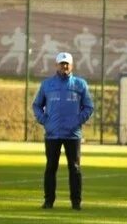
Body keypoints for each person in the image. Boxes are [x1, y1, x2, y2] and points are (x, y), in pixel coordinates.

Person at [32, 51, 94, 210]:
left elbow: (89, 106)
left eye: (67, 63)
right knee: (51, 167)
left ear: (71, 65)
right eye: (62, 63)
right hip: (52, 134)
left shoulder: (80, 84)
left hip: (73, 134)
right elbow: (37, 105)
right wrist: (45, 121)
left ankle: (76, 202)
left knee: (74, 168)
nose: (64, 66)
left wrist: (78, 121)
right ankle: (48, 201)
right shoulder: (47, 84)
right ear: (56, 65)